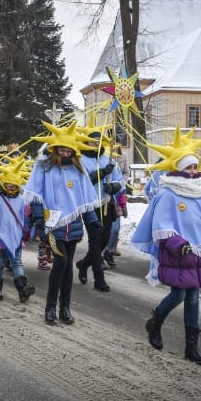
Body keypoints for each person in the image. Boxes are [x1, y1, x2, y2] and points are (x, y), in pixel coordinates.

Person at [131, 147, 201, 365]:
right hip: (177, 252)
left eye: (195, 166)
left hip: (196, 253)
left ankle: (191, 347)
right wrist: (178, 244)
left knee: (193, 298)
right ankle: (155, 322)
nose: (192, 170)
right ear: (178, 169)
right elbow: (161, 226)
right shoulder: (167, 193)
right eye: (188, 166)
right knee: (178, 295)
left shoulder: (198, 191)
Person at [25, 121, 102, 325]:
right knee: (61, 262)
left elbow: (84, 198)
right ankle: (50, 306)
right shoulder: (44, 166)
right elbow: (36, 194)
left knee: (68, 268)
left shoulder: (79, 169)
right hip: (52, 223)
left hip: (73, 224)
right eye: (62, 148)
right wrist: (38, 218)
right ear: (56, 148)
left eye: (69, 149)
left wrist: (93, 221)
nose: (66, 152)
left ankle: (65, 307)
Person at [75, 125, 124, 292]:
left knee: (104, 239)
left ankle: (83, 264)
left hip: (107, 203)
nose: (96, 144)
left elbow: (120, 181)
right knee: (95, 241)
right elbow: (84, 181)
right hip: (91, 205)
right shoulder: (80, 159)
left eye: (98, 141)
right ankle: (99, 278)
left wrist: (114, 187)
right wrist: (102, 173)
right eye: (92, 141)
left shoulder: (108, 158)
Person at [0, 158, 36, 303]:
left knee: (17, 262)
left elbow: (25, 214)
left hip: (15, 235)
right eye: (9, 186)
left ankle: (22, 290)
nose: (11, 189)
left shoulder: (21, 198)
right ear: (3, 183)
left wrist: (30, 210)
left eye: (14, 186)